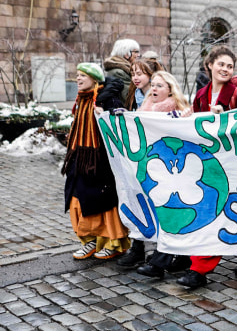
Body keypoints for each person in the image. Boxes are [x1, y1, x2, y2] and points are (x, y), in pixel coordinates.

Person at [178, 46, 237, 289]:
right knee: (213, 209)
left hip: (234, 162)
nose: (225, 69)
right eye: (221, 64)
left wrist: (229, 116)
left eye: (230, 66)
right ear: (209, 65)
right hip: (210, 163)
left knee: (236, 208)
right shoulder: (201, 94)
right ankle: (199, 267)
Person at [63, 63, 130, 260]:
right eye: (77, 75)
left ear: (94, 79)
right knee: (76, 200)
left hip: (99, 160)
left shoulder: (105, 99)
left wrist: (111, 112)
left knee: (103, 202)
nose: (78, 78)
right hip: (79, 157)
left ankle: (113, 243)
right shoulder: (82, 99)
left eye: (83, 75)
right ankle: (89, 240)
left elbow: (120, 119)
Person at [133, 71, 195, 279]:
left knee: (172, 214)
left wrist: (183, 118)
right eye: (153, 85)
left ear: (170, 89)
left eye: (160, 85)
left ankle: (159, 263)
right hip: (158, 171)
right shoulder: (146, 110)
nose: (154, 89)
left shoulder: (178, 110)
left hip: (175, 171)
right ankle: (181, 257)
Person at [118, 58, 167, 269]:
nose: (135, 77)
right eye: (133, 73)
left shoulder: (162, 97)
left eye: (140, 73)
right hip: (140, 157)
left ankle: (157, 252)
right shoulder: (136, 95)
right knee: (137, 198)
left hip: (156, 158)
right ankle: (139, 246)